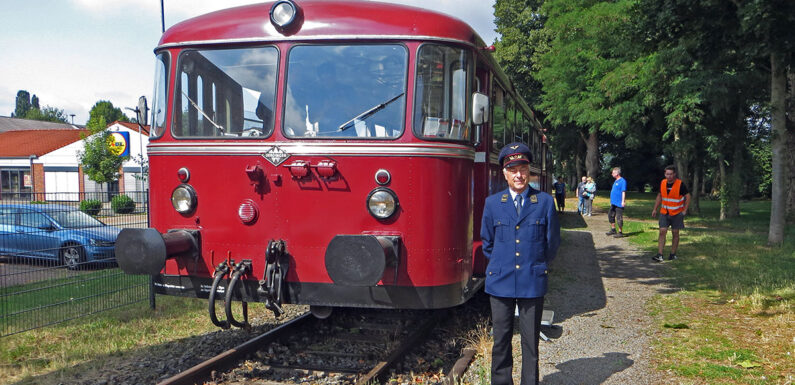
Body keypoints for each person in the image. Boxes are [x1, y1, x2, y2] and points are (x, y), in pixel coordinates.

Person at [481, 142, 561, 385]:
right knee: (501, 340)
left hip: (531, 280)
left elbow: (552, 243)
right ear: (505, 173)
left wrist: (535, 264)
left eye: (523, 169)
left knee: (530, 342)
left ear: (530, 172)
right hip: (501, 281)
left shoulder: (545, 202)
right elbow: (488, 243)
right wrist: (504, 263)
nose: (519, 175)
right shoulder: (493, 203)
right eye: (513, 170)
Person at [651, 165, 691, 262]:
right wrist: (655, 209)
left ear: (674, 174)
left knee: (675, 233)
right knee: (662, 231)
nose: (669, 176)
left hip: (677, 213)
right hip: (664, 212)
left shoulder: (680, 184)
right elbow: (660, 196)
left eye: (671, 174)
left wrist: (685, 210)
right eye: (667, 174)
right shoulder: (663, 183)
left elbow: (688, 196)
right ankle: (660, 254)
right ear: (665, 174)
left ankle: (672, 254)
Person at [605, 167, 626, 237]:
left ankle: (620, 232)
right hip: (613, 203)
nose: (612, 174)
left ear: (617, 173)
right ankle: (613, 229)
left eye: (613, 173)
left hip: (619, 203)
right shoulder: (616, 181)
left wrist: (623, 201)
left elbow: (623, 192)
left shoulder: (622, 181)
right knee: (610, 215)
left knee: (619, 217)